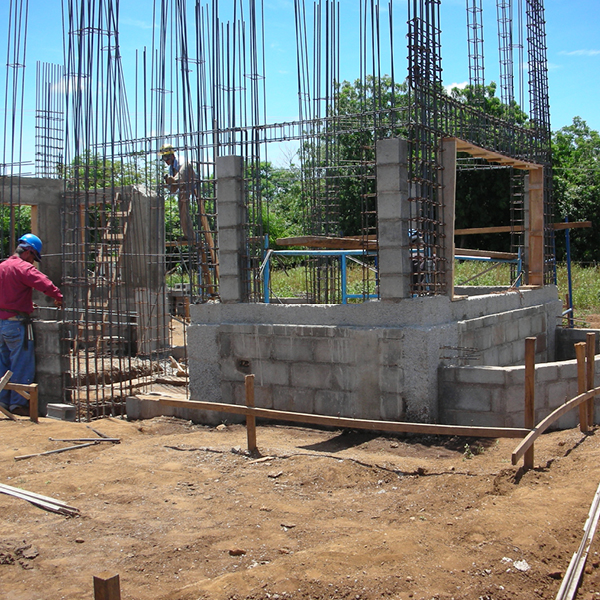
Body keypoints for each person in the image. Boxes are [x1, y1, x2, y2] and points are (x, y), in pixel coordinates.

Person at [0, 234, 63, 416]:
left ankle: (3, 401)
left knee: (3, 364)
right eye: (33, 258)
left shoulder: (3, 266)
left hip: (1, 322)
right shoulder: (23, 268)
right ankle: (18, 404)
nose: (33, 262)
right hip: (15, 325)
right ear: (28, 252)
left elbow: (8, 295)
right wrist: (58, 296)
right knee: (22, 363)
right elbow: (42, 282)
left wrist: (25, 305)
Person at [160, 144, 197, 241]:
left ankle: (174, 180)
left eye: (166, 158)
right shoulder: (170, 169)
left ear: (172, 156)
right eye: (164, 159)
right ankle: (188, 235)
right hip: (183, 188)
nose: (166, 161)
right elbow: (173, 190)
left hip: (191, 182)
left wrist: (172, 182)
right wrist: (168, 186)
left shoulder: (182, 162)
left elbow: (187, 174)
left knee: (185, 167)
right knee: (182, 209)